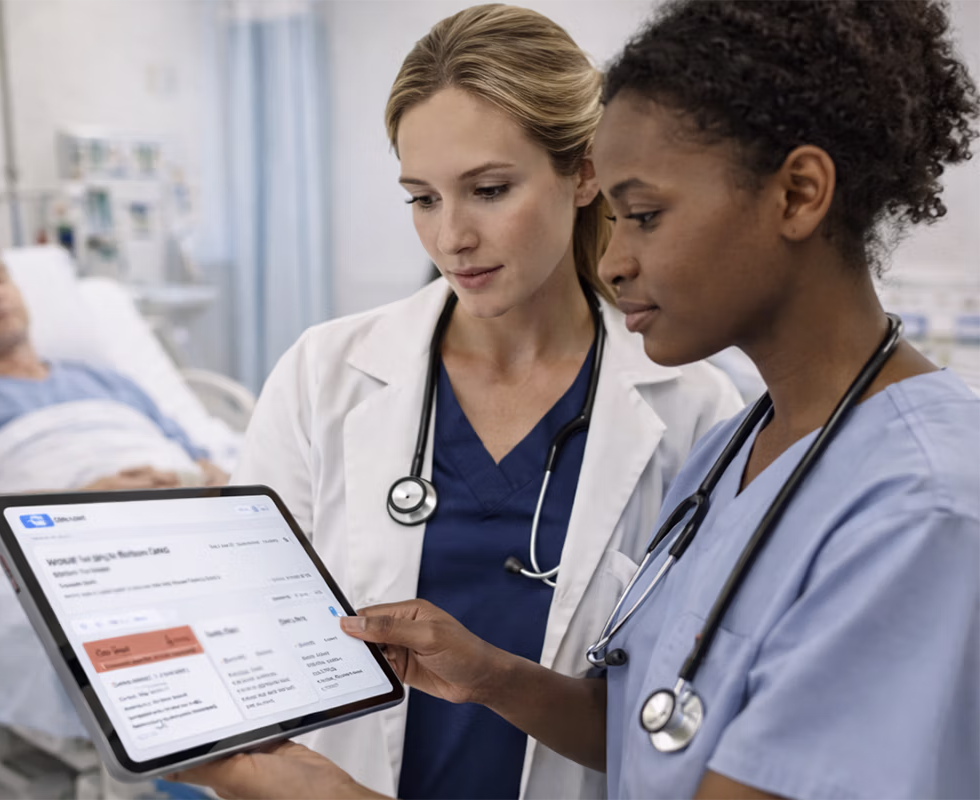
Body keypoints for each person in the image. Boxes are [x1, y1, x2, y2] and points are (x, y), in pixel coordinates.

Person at [172, 0, 980, 798]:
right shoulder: (739, 448)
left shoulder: (913, 499)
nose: (618, 259)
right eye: (421, 197)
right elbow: (647, 716)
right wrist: (492, 675)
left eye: (646, 215)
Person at [224, 6, 742, 800]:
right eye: (422, 199)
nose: (452, 237)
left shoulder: (691, 403)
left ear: (582, 172)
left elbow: (685, 706)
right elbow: (249, 639)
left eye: (489, 190)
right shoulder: (324, 374)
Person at [0, 228, 227, 539]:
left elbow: (204, 465)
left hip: (189, 515)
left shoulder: (107, 380)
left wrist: (205, 485)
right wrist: (77, 505)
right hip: (86, 534)